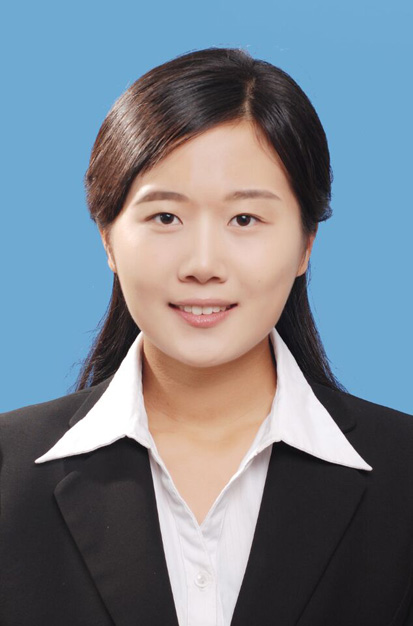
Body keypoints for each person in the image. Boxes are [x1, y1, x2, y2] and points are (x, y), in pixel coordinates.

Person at [0, 47, 412, 626]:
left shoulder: (403, 473)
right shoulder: (7, 471)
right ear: (108, 238)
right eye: (165, 217)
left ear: (306, 244)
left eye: (245, 219)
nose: (202, 264)